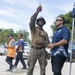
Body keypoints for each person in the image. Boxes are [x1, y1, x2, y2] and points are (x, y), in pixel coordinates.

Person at [26, 5, 50, 75]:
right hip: (33, 50)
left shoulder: (45, 33)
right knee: (30, 67)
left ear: (44, 22)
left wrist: (42, 42)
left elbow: (48, 43)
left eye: (42, 21)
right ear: (37, 22)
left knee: (43, 68)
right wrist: (37, 12)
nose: (41, 22)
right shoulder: (33, 29)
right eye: (39, 20)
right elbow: (31, 22)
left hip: (42, 51)